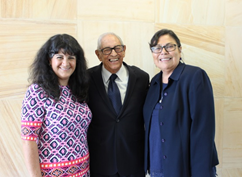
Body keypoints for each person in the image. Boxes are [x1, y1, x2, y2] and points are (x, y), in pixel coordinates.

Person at [143, 29, 219, 177]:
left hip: (186, 169)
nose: (163, 52)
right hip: (157, 168)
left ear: (180, 49)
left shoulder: (195, 77)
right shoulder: (154, 83)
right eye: (157, 48)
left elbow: (203, 130)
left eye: (169, 46)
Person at [21, 34, 92, 177]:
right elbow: (28, 140)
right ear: (49, 60)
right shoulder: (37, 92)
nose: (65, 63)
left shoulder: (78, 91)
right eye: (59, 57)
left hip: (83, 171)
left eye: (71, 57)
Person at [87, 32, 149, 177]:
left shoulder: (142, 78)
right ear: (98, 54)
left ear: (124, 50)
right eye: (107, 50)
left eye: (118, 48)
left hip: (133, 163)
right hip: (99, 164)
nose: (113, 53)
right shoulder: (86, 79)